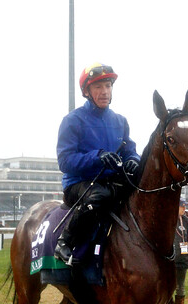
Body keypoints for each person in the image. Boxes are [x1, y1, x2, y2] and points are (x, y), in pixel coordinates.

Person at [55, 63, 141, 265]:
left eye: (108, 86)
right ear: (87, 91)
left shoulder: (120, 121)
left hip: (112, 182)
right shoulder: (72, 121)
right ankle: (64, 243)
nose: (105, 92)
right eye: (98, 87)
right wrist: (97, 157)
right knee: (99, 196)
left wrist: (133, 161)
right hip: (80, 183)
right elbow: (65, 161)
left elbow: (130, 150)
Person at [164, 199, 188, 304]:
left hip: (183, 259)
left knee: (180, 287)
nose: (184, 209)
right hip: (170, 259)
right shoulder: (168, 220)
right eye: (182, 207)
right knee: (167, 288)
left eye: (185, 207)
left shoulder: (187, 221)